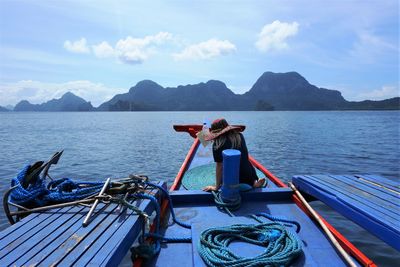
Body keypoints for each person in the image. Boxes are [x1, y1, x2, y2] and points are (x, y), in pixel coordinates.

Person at [202, 118, 265, 192]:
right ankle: (254, 183)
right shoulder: (239, 136)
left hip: (231, 180)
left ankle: (227, 185)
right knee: (246, 162)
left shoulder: (217, 145)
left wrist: (216, 187)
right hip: (248, 177)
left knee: (224, 172)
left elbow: (219, 167)